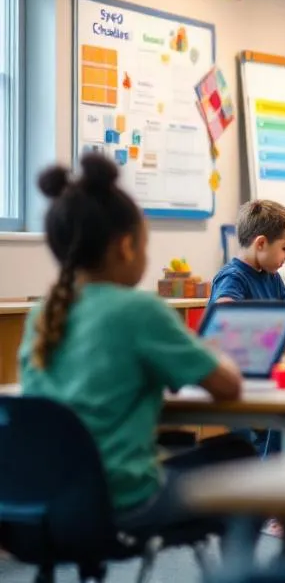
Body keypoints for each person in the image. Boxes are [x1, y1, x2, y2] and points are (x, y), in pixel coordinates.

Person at [19, 154, 257, 537]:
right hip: (119, 499)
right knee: (239, 455)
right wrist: (214, 351)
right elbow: (227, 386)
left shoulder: (42, 315)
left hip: (41, 502)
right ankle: (243, 567)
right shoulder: (139, 310)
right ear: (127, 246)